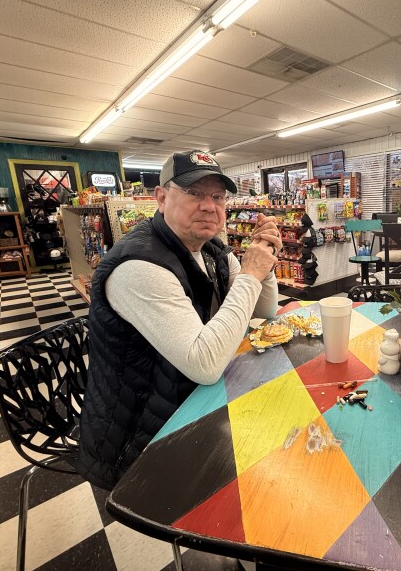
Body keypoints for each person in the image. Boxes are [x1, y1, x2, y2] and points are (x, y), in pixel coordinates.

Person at [77, 150, 280, 490]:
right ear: (161, 198)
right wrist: (250, 274)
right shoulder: (139, 266)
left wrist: (264, 259)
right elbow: (205, 364)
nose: (209, 206)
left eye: (218, 196)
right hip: (138, 440)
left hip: (190, 403)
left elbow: (264, 312)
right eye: (193, 192)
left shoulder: (211, 249)